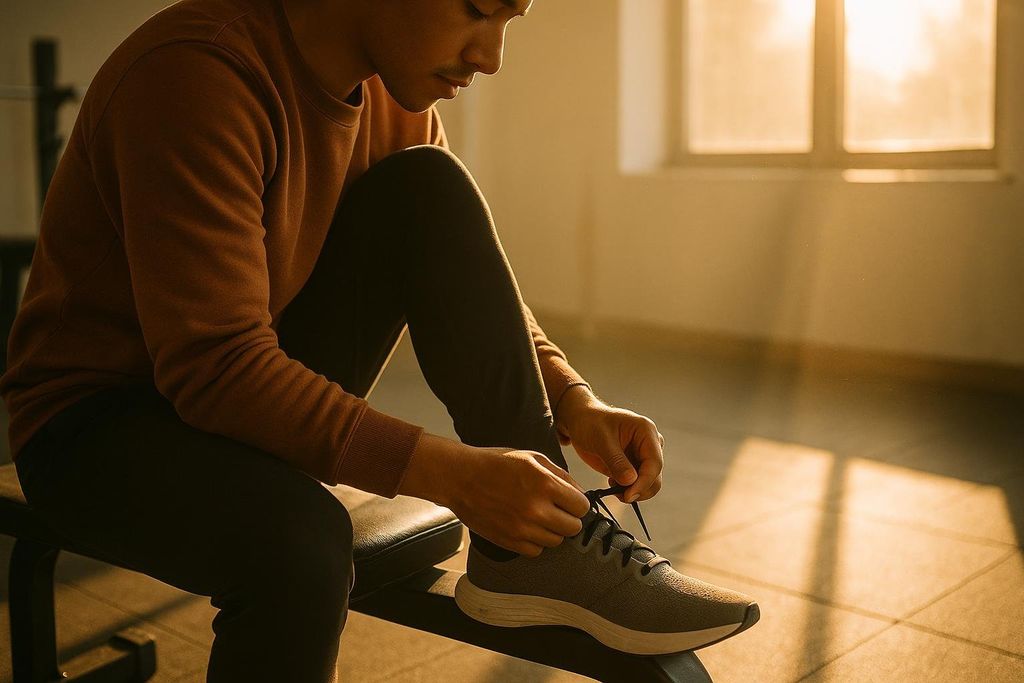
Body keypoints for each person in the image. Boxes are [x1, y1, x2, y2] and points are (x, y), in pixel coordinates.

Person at [0, 0, 759, 680]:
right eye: (477, 10)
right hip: (93, 425)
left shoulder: (395, 98)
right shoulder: (195, 72)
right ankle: (537, 545)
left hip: (238, 386)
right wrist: (453, 475)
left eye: (509, 21)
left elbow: (467, 276)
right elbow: (216, 367)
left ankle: (536, 554)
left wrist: (571, 398)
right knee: (303, 545)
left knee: (429, 188)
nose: (491, 56)